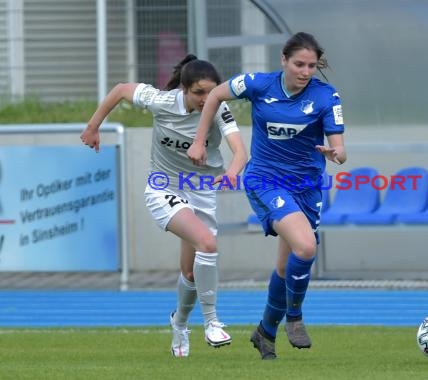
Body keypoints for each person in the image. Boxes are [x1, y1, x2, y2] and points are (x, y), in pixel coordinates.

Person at [188, 32, 347, 360]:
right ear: (283, 61)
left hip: (308, 186)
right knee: (306, 246)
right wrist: (200, 140)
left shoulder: (326, 96)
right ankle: (295, 317)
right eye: (299, 64)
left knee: (285, 267)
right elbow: (216, 95)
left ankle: (265, 332)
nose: (305, 71)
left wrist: (335, 153)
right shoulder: (259, 84)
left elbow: (341, 149)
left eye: (311, 66)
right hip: (265, 180)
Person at [80, 54, 248, 358]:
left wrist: (232, 175)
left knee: (192, 272)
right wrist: (93, 127)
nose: (205, 99)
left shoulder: (219, 109)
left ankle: (179, 324)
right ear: (183, 89)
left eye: (211, 92)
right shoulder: (161, 101)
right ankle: (212, 322)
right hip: (163, 187)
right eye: (198, 92)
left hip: (202, 191)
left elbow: (240, 152)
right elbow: (120, 90)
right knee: (207, 244)